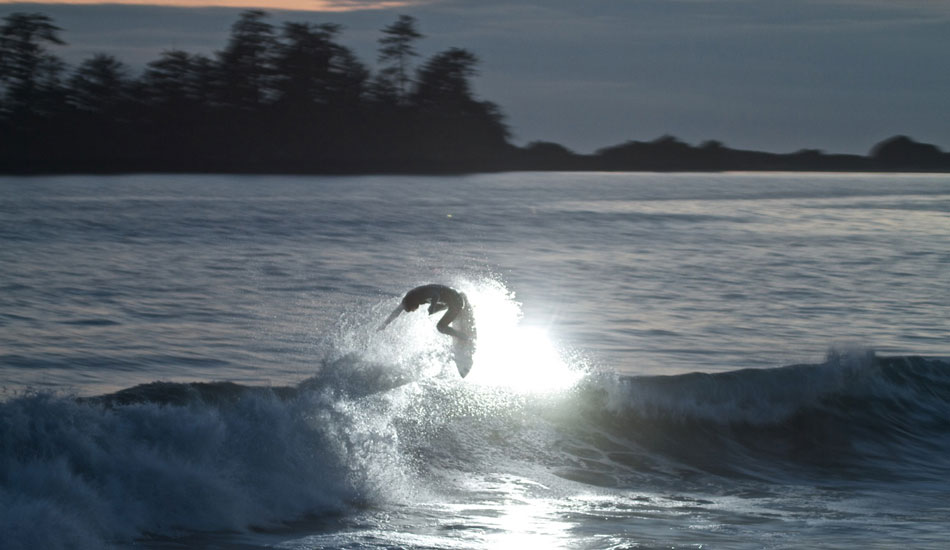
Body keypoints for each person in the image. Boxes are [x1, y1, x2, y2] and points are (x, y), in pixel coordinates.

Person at [379, 284, 472, 341]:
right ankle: (453, 312)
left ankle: (465, 337)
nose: (413, 311)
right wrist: (384, 325)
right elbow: (396, 312)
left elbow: (436, 295)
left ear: (412, 303)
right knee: (431, 311)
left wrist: (432, 306)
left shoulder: (420, 294)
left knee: (440, 327)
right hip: (450, 299)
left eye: (412, 309)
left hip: (457, 301)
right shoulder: (408, 298)